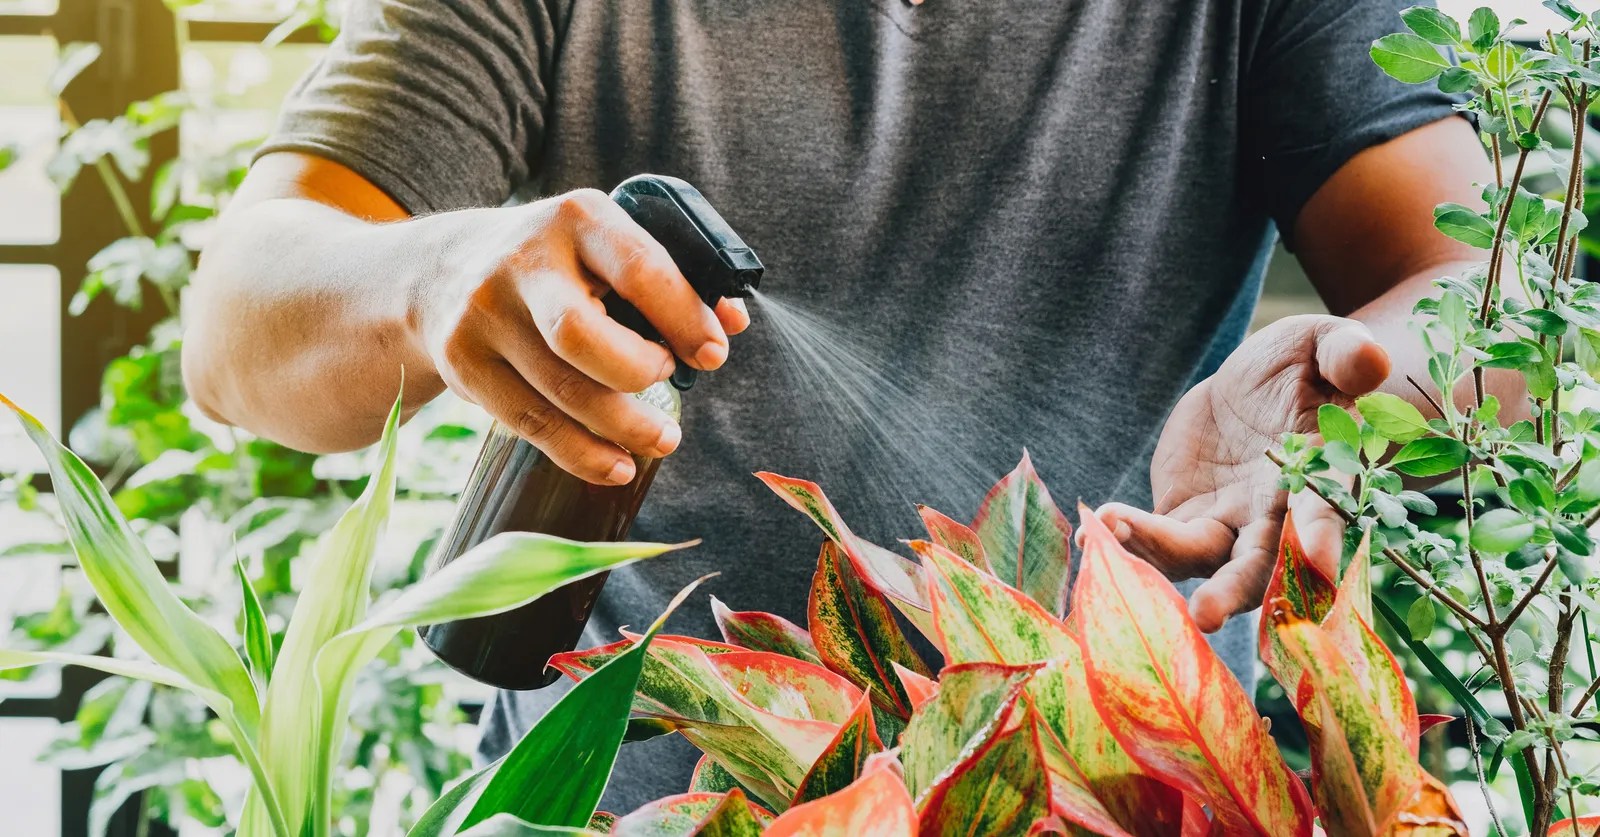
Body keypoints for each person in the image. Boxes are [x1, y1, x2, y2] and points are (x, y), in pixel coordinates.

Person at [182, 0, 1515, 811]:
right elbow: (238, 330)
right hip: (633, 803)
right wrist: (429, 278)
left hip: (1117, 797)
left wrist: (1358, 394)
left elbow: (1488, 301)